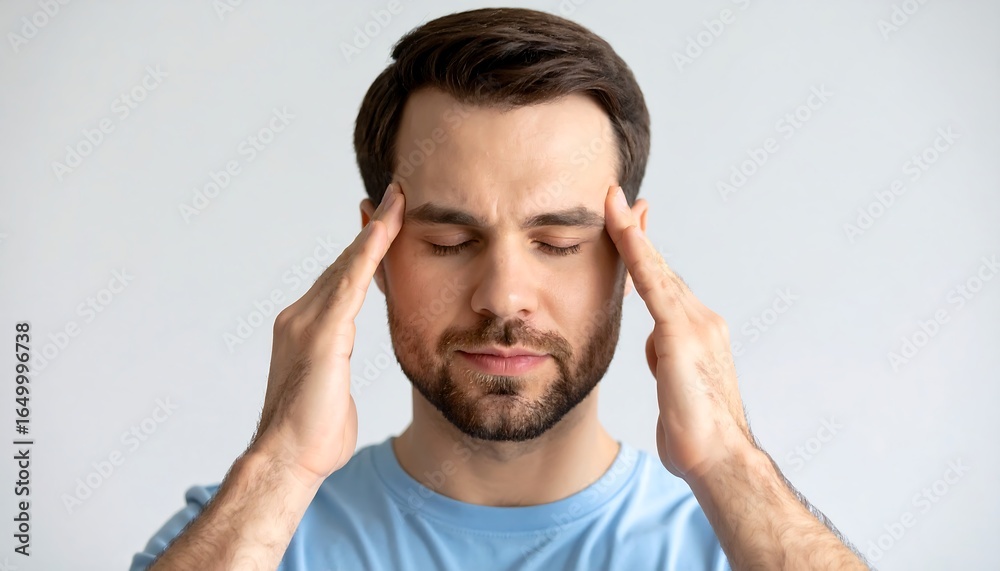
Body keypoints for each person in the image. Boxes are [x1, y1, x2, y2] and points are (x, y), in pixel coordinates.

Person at [131, 8, 870, 570]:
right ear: (375, 251)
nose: (504, 295)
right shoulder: (248, 534)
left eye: (559, 243)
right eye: (450, 242)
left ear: (631, 254)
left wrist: (729, 464)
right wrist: (283, 463)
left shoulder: (738, 542)